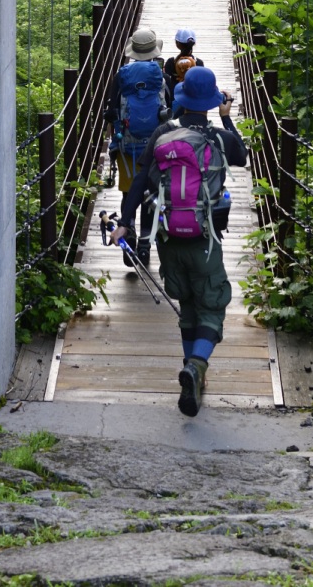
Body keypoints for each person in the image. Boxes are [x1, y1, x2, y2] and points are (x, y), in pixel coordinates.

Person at [110, 65, 247, 416]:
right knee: (212, 305)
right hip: (205, 238)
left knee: (186, 305)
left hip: (167, 235)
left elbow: (140, 180)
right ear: (213, 100)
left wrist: (125, 223)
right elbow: (242, 157)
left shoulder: (163, 132)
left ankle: (191, 373)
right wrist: (227, 118)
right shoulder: (220, 138)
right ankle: (196, 365)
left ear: (181, 99)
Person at [104, 25, 170, 265]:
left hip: (126, 145)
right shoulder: (162, 77)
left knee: (127, 192)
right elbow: (168, 112)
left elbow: (111, 111)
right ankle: (144, 244)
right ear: (155, 52)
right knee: (151, 194)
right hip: (155, 146)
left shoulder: (121, 76)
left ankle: (127, 235)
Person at [163, 26, 204, 93]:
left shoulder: (171, 62)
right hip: (192, 95)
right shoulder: (199, 62)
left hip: (175, 95)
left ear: (177, 43)